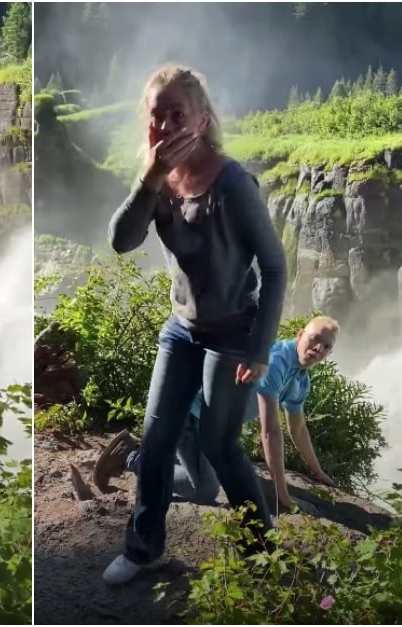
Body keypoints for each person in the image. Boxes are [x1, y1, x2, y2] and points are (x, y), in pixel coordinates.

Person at [102, 64, 288, 585]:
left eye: (176, 114)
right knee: (156, 438)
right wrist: (150, 177)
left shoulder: (234, 184)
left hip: (234, 333)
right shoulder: (157, 181)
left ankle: (261, 550)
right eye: (155, 116)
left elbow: (274, 269)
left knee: (218, 444)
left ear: (202, 119)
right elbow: (121, 240)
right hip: (181, 329)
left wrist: (259, 349)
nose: (163, 126)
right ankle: (143, 548)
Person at [94, 316, 341, 514]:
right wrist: (283, 496)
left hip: (211, 427)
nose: (318, 349)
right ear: (300, 335)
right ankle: (130, 455)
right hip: (190, 415)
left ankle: (159, 453)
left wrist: (317, 472)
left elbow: (297, 428)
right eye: (314, 339)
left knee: (217, 471)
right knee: (204, 491)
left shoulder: (300, 379)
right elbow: (270, 432)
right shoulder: (275, 362)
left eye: (326, 346)